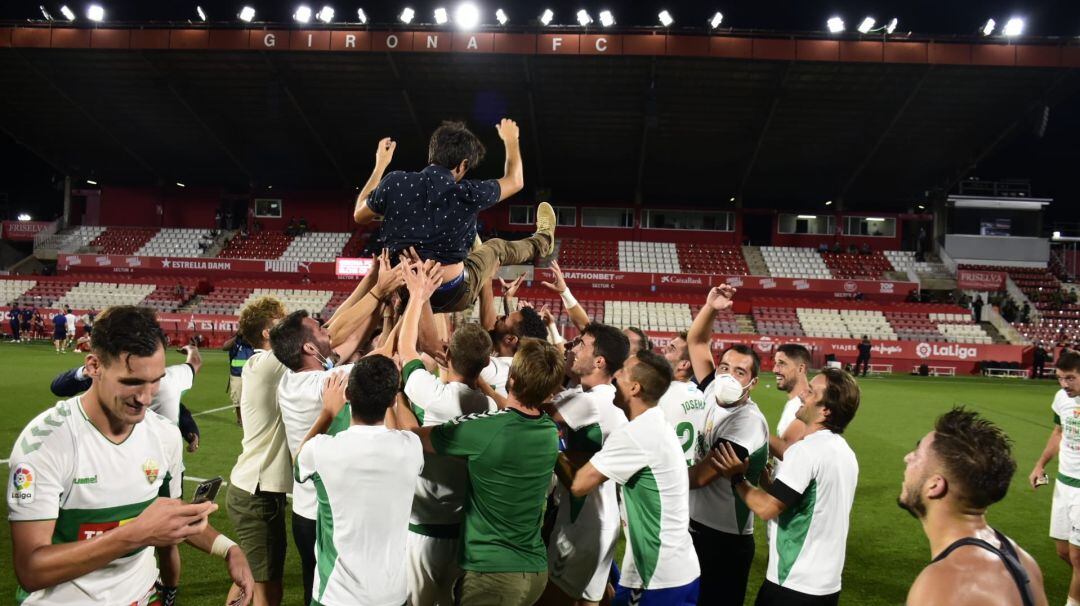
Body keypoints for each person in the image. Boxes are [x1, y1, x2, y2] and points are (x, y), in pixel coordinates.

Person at [6, 306, 254, 605]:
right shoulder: (46, 443)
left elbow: (171, 518)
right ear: (94, 366)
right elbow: (31, 570)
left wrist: (229, 549)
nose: (147, 397)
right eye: (132, 382)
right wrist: (136, 533)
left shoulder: (164, 436)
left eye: (156, 381)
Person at [396, 257, 566, 606]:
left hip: (490, 568)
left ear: (512, 379)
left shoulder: (485, 427)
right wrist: (485, 388)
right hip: (532, 566)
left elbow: (417, 434)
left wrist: (418, 296)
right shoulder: (547, 430)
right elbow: (510, 408)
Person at [353, 119, 555, 313]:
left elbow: (359, 215)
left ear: (432, 153)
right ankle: (544, 239)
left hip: (404, 290)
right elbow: (516, 180)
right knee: (495, 247)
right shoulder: (466, 193)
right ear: (462, 165)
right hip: (452, 293)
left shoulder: (394, 182)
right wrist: (511, 140)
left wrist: (380, 165)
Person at [713, 367, 861, 606]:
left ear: (825, 411)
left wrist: (737, 478)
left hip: (792, 583)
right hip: (827, 586)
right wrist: (767, 483)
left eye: (811, 392)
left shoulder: (806, 450)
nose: (803, 395)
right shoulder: (845, 453)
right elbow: (808, 506)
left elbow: (766, 509)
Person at [565, 350, 701, 605]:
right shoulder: (654, 422)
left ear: (635, 388)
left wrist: (548, 450)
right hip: (675, 571)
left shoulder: (636, 433)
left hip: (655, 578)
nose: (615, 374)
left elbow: (579, 485)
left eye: (623, 372)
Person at [398, 278, 497, 605]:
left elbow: (406, 350)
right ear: (485, 365)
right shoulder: (492, 407)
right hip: (465, 529)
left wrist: (417, 296)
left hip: (423, 527)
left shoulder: (433, 395)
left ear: (448, 353)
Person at [294, 357, 424, 606]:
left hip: (336, 596)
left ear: (348, 395)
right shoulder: (410, 447)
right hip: (392, 595)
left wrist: (328, 412)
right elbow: (397, 433)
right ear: (392, 400)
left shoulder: (321, 451)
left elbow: (298, 463)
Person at [901, 408, 1048, 606]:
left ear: (935, 486)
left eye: (917, 454)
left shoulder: (944, 584)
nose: (907, 457)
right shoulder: (1023, 560)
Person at [270, 309, 364, 606]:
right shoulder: (328, 383)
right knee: (340, 593)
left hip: (303, 513)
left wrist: (375, 309)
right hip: (328, 516)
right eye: (320, 329)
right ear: (309, 348)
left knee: (315, 587)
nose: (328, 331)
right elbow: (381, 362)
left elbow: (339, 352)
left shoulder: (288, 380)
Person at [541, 323, 629, 606]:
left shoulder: (591, 402)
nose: (573, 348)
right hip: (602, 519)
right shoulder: (604, 397)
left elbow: (534, 413)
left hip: (581, 524)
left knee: (549, 600)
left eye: (581, 344)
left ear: (599, 361)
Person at [686, 344, 768, 606]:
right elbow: (697, 343)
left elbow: (699, 477)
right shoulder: (713, 392)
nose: (728, 376)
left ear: (752, 383)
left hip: (725, 540)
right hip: (695, 526)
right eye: (724, 367)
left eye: (740, 372)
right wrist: (711, 306)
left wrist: (650, 472)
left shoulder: (747, 422)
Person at [225, 297, 290, 606]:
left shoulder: (265, 363)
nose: (288, 325)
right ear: (267, 332)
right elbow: (334, 337)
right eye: (282, 320)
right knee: (268, 591)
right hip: (257, 494)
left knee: (252, 577)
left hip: (253, 491)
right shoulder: (269, 363)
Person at [1028, 350, 1080, 606]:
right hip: (1063, 482)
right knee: (1062, 551)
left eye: (1070, 378)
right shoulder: (1062, 398)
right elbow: (1059, 432)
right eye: (1060, 378)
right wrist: (1040, 465)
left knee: (1078, 556)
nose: (1064, 384)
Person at [659, 331, 708, 466]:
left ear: (684, 364)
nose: (664, 349)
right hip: (689, 476)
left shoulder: (660, 395)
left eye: (672, 348)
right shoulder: (701, 395)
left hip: (662, 477)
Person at [770, 344, 812, 463]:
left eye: (781, 363)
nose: (775, 370)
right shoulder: (794, 403)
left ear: (801, 368)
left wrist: (756, 429)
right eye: (775, 363)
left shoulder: (806, 405)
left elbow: (787, 451)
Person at [224, 332, 256, 425]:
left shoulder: (253, 342)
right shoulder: (235, 341)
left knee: (252, 398)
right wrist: (237, 337)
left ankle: (250, 417)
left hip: (251, 374)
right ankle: (240, 419)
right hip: (236, 374)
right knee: (237, 399)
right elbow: (224, 347)